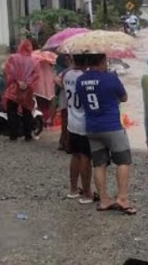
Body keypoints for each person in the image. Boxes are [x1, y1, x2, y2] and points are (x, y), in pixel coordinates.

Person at [76, 54, 136, 215]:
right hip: (112, 126)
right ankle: (122, 198)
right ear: (102, 62)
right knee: (123, 161)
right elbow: (124, 98)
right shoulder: (110, 78)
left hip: (92, 128)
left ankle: (104, 199)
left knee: (99, 164)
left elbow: (81, 103)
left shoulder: (80, 81)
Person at [63, 55, 98, 204]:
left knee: (75, 155)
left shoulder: (67, 75)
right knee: (85, 157)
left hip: (71, 121)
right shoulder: (85, 78)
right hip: (84, 122)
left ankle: (73, 189)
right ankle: (87, 192)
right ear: (87, 61)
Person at [2, 39, 40, 142]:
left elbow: (8, 71)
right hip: (27, 90)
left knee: (12, 111)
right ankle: (28, 135)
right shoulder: (34, 61)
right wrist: (27, 83)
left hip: (14, 87)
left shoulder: (13, 58)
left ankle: (13, 135)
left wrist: (18, 81)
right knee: (27, 111)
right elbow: (36, 75)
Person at [55, 54, 73, 152]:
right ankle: (66, 144)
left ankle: (63, 143)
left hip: (65, 101)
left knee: (65, 122)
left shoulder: (65, 72)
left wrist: (62, 85)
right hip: (70, 102)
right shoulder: (75, 72)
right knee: (67, 123)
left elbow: (56, 79)